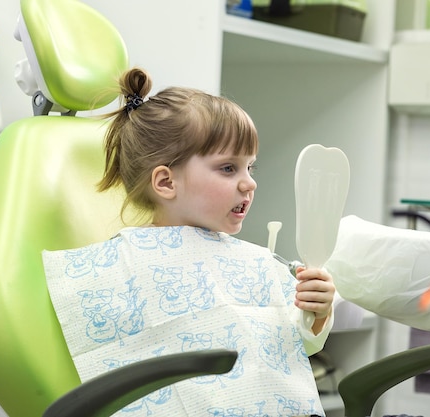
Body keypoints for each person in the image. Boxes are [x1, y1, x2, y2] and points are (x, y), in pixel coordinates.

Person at [44, 67, 336, 417]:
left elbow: (292, 346)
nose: (249, 184)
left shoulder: (253, 261)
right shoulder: (126, 265)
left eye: (250, 168)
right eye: (228, 168)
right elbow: (112, 348)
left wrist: (316, 312)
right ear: (166, 182)